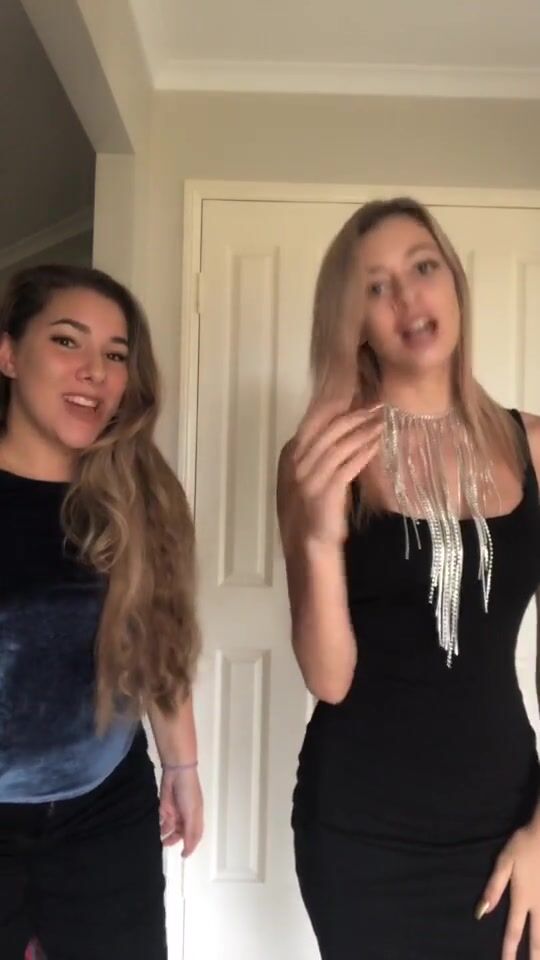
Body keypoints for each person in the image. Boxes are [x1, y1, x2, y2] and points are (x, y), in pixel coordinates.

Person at [277, 198, 540, 960]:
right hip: (361, 835)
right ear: (353, 321)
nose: (407, 296)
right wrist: (320, 535)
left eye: (423, 267)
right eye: (375, 285)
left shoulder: (531, 446)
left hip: (507, 822)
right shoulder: (318, 458)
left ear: (453, 281)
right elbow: (329, 679)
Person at [0, 265, 204, 960]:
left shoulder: (139, 495)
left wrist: (182, 769)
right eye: (67, 341)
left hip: (105, 811)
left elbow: (160, 642)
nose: (95, 371)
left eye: (115, 355)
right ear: (8, 354)